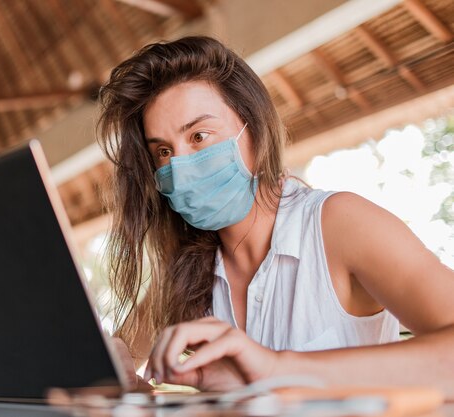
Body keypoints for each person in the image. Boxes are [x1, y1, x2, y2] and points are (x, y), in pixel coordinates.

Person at [95, 36, 454, 397]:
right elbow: (121, 351)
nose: (181, 166)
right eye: (163, 151)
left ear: (253, 128)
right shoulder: (186, 272)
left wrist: (278, 371)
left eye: (199, 136)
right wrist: (118, 371)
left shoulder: (340, 224)